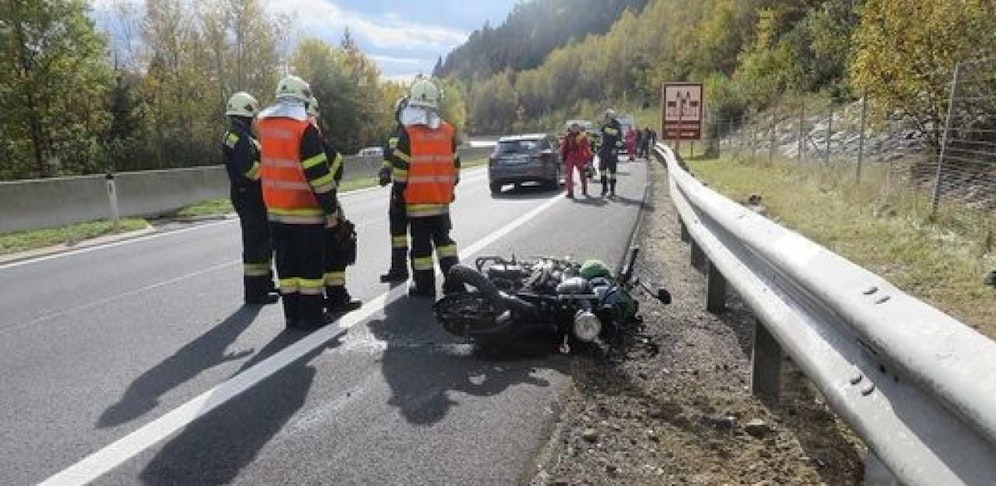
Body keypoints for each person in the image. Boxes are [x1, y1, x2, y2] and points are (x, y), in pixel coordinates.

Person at [257, 75, 341, 330]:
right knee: (309, 268)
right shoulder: (305, 130)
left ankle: (292, 316)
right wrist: (331, 208)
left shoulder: (265, 126)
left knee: (286, 267)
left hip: (275, 211)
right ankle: (313, 317)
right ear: (303, 102)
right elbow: (318, 175)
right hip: (305, 212)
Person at [385, 78, 462, 297]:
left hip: (417, 205)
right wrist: (445, 189)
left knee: (421, 249)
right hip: (441, 203)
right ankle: (455, 284)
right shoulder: (447, 131)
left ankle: (425, 286)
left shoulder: (408, 134)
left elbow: (400, 172)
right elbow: (455, 169)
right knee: (445, 244)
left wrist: (398, 195)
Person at [221, 91, 279, 305]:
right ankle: (256, 293)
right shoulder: (240, 138)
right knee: (256, 243)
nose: (256, 120)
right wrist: (272, 172)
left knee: (264, 240)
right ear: (246, 114)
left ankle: (265, 283)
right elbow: (250, 170)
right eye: (254, 117)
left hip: (248, 194)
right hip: (250, 195)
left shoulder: (240, 136)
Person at [307, 96, 361, 314]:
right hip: (322, 206)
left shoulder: (287, 136)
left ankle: (315, 303)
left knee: (315, 255)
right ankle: (337, 299)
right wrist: (330, 192)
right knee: (336, 251)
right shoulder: (310, 136)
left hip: (297, 210)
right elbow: (337, 163)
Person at [377, 95, 410, 283]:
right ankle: (398, 269)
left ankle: (420, 274)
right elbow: (388, 159)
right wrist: (384, 172)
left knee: (419, 235)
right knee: (397, 234)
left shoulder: (415, 133)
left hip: (413, 191)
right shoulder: (393, 135)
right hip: (397, 192)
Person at [560, 122, 591, 199]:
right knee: (568, 175)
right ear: (570, 128)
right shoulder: (567, 136)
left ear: (578, 128)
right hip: (570, 156)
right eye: (573, 127)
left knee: (582, 173)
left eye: (576, 127)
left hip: (579, 156)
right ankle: (570, 192)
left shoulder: (582, 136)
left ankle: (584, 189)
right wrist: (563, 158)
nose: (574, 129)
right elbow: (564, 147)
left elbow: (586, 148)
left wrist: (588, 158)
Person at [598, 108, 623, 197]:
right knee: (602, 171)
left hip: (612, 152)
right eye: (606, 117)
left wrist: (615, 149)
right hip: (603, 152)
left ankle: (612, 190)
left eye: (607, 117)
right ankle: (604, 188)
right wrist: (598, 149)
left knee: (612, 172)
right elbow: (600, 139)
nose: (606, 119)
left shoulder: (617, 127)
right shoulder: (604, 127)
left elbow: (619, 141)